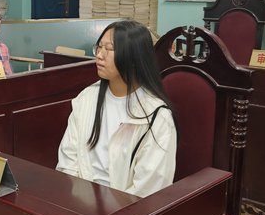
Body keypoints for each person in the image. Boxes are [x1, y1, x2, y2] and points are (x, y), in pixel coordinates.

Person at [56, 20, 177, 197]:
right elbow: (68, 162)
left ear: (134, 57)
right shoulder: (87, 98)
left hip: (127, 210)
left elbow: (149, 188)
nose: (99, 55)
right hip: (80, 202)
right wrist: (80, 202)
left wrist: (109, 210)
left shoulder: (156, 116)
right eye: (99, 47)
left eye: (109, 49)